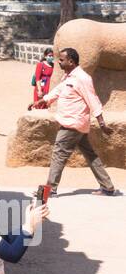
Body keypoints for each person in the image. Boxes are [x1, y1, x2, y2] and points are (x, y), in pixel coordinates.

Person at [34, 46, 117, 196]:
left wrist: (102, 123)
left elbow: (93, 99)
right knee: (90, 155)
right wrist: (44, 100)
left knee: (59, 154)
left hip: (72, 124)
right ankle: (108, 187)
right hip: (77, 124)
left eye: (61, 59)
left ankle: (49, 190)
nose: (58, 62)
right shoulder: (69, 77)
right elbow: (59, 90)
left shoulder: (82, 78)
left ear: (71, 61)